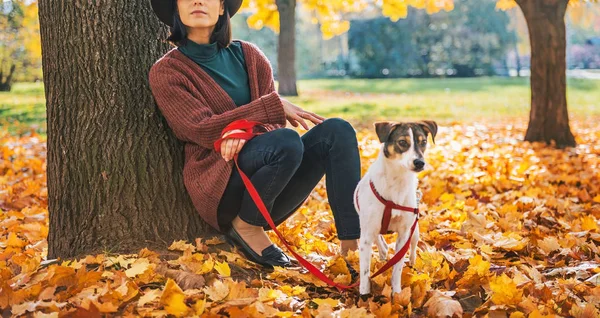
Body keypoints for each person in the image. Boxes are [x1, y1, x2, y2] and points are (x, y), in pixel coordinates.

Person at [148, 0, 361, 268]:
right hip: (222, 185)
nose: (198, 1)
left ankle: (352, 246)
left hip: (271, 190)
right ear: (176, 9)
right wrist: (267, 109)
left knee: (337, 131)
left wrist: (242, 129)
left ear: (223, 8)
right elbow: (198, 128)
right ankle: (246, 227)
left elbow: (271, 128)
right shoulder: (168, 70)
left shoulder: (249, 55)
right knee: (286, 141)